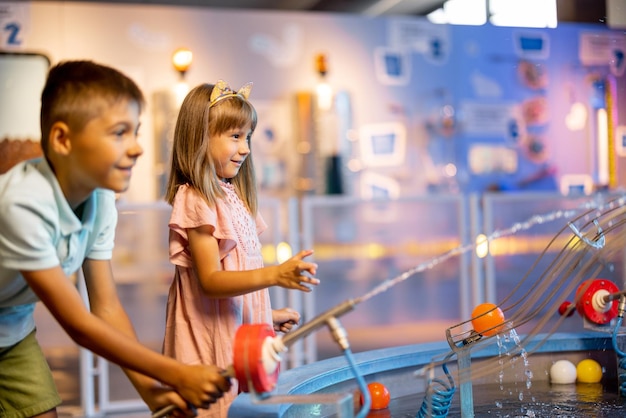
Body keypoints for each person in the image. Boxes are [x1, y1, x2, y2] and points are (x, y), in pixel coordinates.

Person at [0, 60, 231, 418]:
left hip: (11, 327)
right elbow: (78, 324)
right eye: (120, 132)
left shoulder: (100, 197)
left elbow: (105, 307)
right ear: (63, 139)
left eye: (136, 131)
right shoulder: (22, 204)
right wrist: (178, 373)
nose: (137, 147)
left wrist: (152, 392)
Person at [163, 80, 320, 417]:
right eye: (235, 136)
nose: (246, 148)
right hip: (210, 346)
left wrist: (265, 315)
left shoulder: (232, 196)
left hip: (236, 338)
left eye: (247, 136)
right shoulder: (196, 198)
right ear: (200, 138)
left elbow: (235, 278)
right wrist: (276, 274)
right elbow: (211, 281)